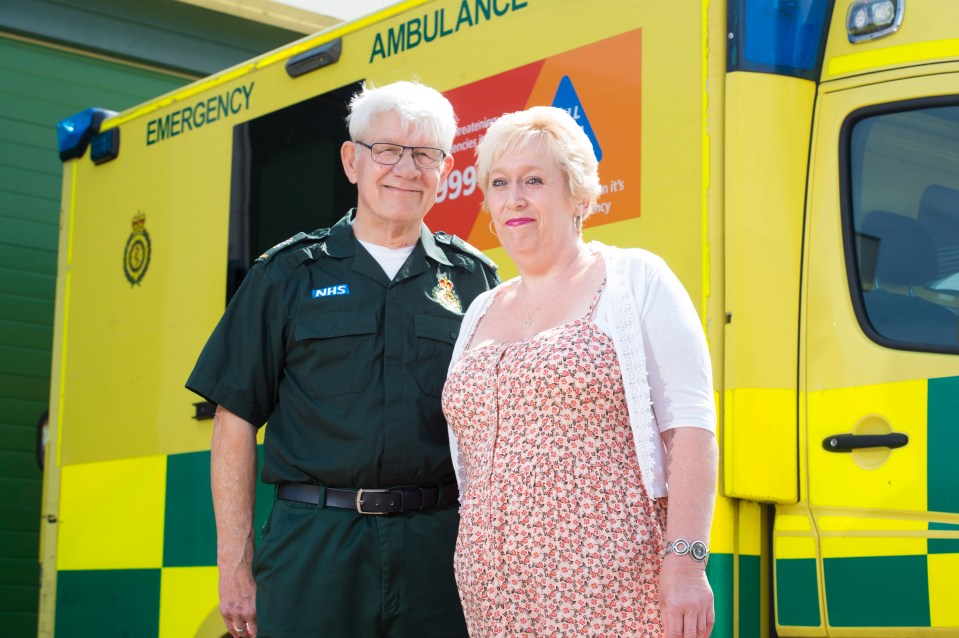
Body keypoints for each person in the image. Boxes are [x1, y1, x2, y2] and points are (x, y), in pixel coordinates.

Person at [186, 80, 499, 638]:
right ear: (352, 161)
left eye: (426, 154)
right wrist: (235, 563)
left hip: (439, 547)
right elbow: (233, 422)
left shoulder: (474, 279)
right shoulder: (286, 274)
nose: (406, 167)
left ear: (445, 172)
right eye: (387, 150)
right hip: (314, 545)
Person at [441, 106, 718, 637]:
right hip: (492, 596)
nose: (514, 198)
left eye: (534, 180)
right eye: (499, 183)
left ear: (580, 196)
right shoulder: (479, 310)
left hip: (610, 588)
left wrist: (685, 564)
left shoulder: (633, 278)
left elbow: (691, 428)